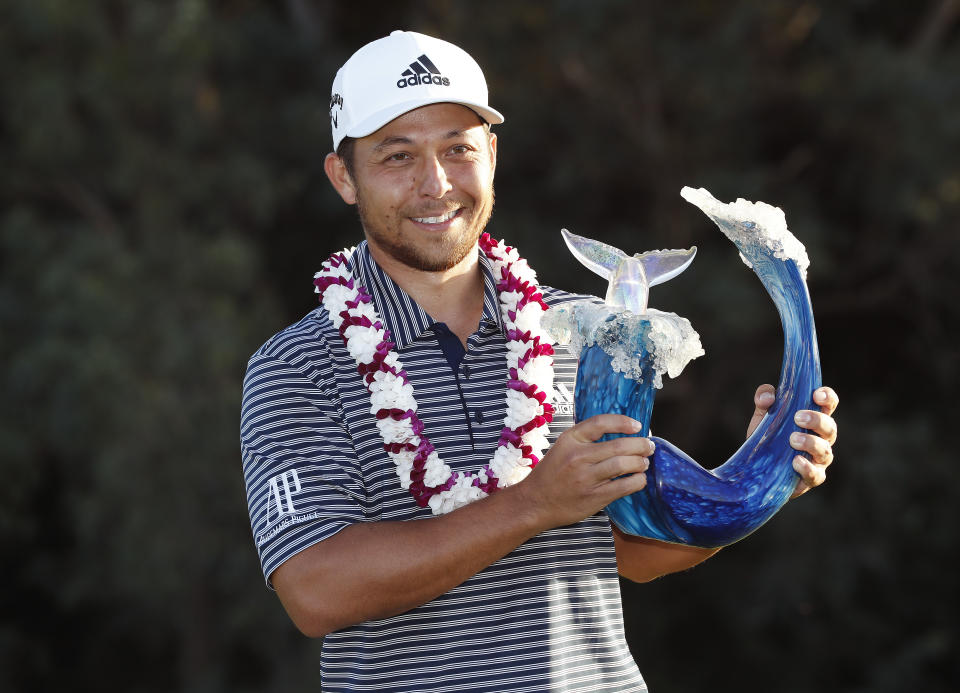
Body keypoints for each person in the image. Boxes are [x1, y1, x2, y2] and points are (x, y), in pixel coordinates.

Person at [240, 30, 839, 692]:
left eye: (458, 149)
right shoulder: (295, 366)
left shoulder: (594, 331)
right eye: (397, 156)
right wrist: (532, 503)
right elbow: (317, 588)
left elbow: (627, 551)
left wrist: (757, 481)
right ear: (343, 177)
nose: (435, 184)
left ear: (492, 156)